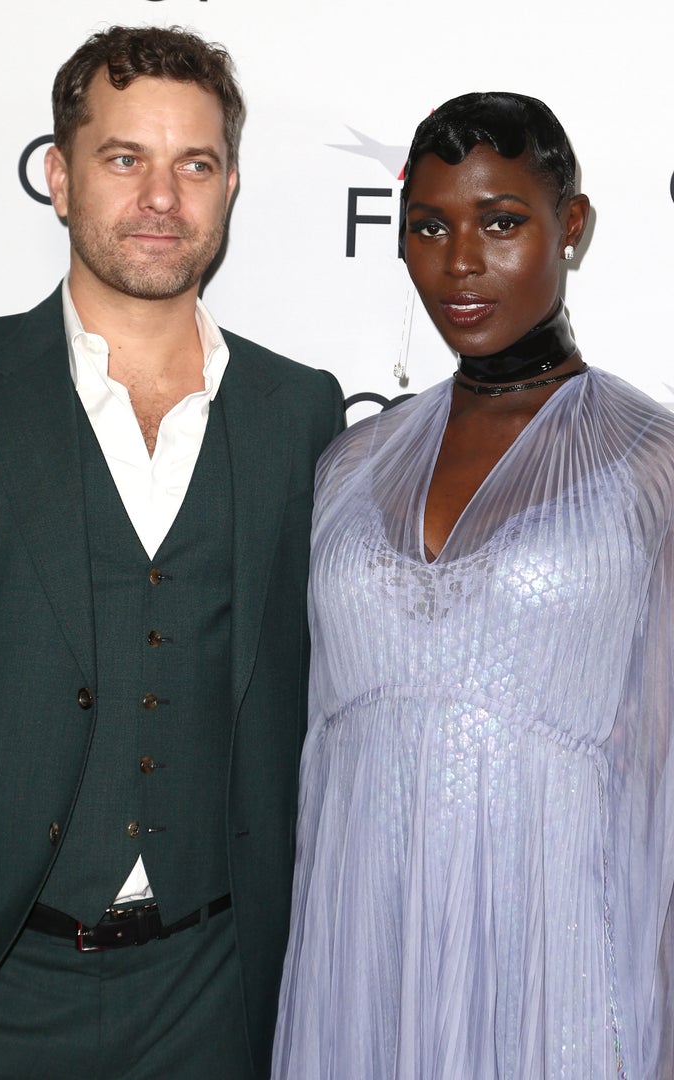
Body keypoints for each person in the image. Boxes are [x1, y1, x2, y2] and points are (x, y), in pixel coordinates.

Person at [0, 24, 343, 1080]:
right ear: (59, 177)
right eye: (125, 158)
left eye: (195, 164)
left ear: (230, 188)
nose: (161, 198)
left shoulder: (301, 412)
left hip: (214, 995)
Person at [272, 92, 674, 1079]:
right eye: (429, 227)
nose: (460, 262)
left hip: (565, 957)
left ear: (569, 225)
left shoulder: (653, 463)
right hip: (359, 945)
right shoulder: (349, 463)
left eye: (500, 222)